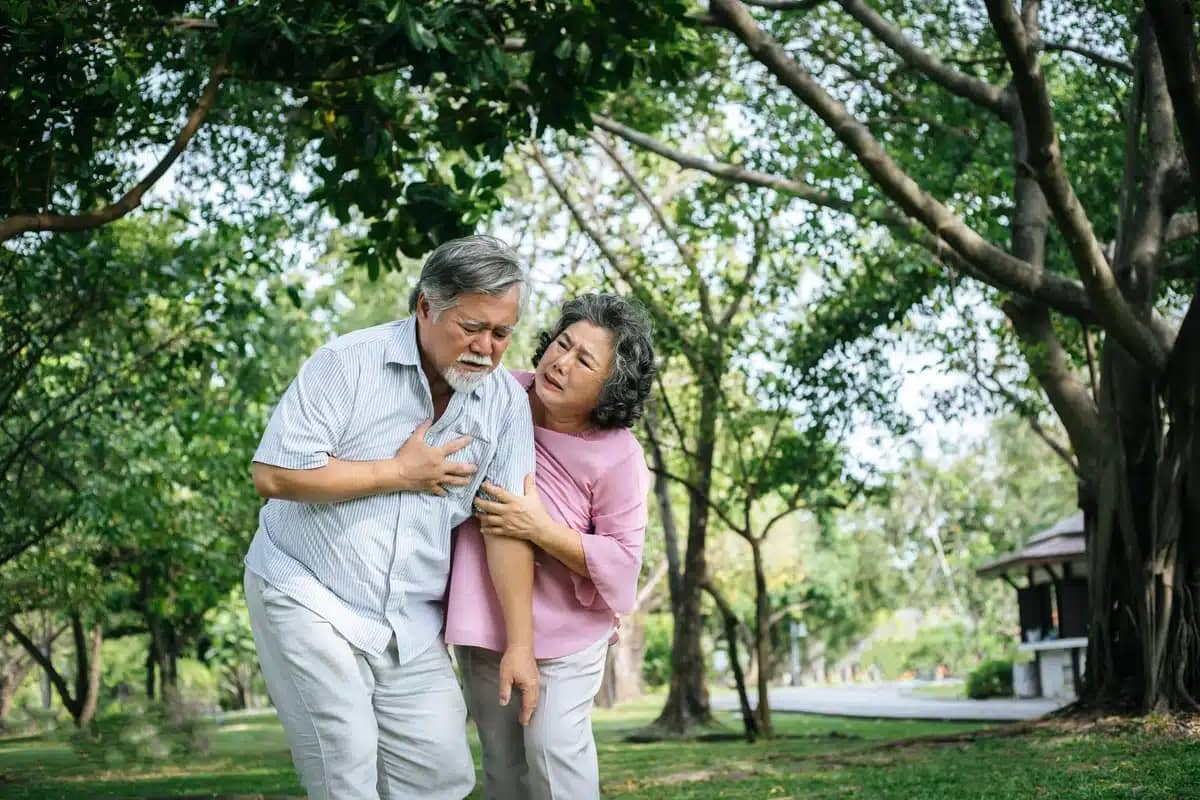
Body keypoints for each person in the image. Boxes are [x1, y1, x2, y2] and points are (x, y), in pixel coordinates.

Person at [243, 235, 541, 800]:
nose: (487, 347)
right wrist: (399, 473)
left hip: (409, 620)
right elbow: (274, 476)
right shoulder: (346, 363)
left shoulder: (505, 403)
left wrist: (520, 646)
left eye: (502, 332)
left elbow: (506, 525)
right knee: (345, 761)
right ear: (426, 307)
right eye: (472, 327)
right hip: (308, 592)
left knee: (442, 772)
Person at [445, 292, 655, 800]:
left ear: (611, 386)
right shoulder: (496, 395)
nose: (560, 363)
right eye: (562, 344)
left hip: (569, 636)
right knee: (503, 770)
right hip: (488, 622)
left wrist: (538, 527)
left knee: (554, 757)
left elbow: (624, 564)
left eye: (584, 360)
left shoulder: (619, 456)